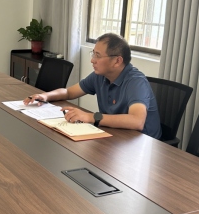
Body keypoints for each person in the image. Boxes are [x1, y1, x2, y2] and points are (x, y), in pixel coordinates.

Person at [24, 33, 162, 139]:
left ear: (117, 61)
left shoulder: (136, 82)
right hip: (115, 136)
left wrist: (91, 117)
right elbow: (69, 92)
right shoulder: (100, 76)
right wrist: (44, 96)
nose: (92, 60)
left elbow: (137, 121)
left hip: (142, 144)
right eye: (93, 54)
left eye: (98, 56)